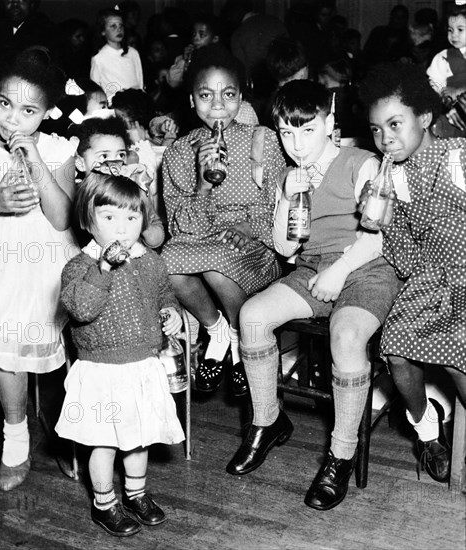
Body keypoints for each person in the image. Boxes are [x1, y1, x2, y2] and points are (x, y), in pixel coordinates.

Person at [226, 80, 402, 511]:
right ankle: (267, 422)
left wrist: (341, 271)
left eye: (307, 130)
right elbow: (286, 248)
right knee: (251, 316)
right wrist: (287, 195)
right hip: (314, 269)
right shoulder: (289, 174)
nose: (297, 144)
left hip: (366, 268)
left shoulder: (362, 162)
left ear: (330, 122)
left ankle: (340, 454)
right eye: (287, 133)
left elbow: (380, 238)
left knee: (345, 336)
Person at [55, 171, 184, 537]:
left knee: (138, 438)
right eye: (109, 217)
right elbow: (82, 309)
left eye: (132, 218)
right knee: (104, 443)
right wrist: (104, 269)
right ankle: (104, 503)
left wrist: (171, 312)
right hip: (102, 372)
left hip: (142, 366)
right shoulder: (79, 267)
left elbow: (164, 294)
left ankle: (136, 493)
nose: (122, 228)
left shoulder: (151, 260)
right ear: (87, 220)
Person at [359, 62, 466, 483]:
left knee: (461, 355)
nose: (386, 138)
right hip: (430, 277)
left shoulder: (457, 157)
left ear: (424, 118)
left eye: (395, 124)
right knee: (397, 346)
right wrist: (382, 221)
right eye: (376, 129)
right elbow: (403, 254)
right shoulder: (391, 179)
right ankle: (426, 429)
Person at [161, 46, 285, 397]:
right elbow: (181, 228)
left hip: (255, 246)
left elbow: (278, 204)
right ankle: (218, 329)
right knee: (168, 262)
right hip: (204, 240)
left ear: (241, 96)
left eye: (228, 94)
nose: (218, 105)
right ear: (191, 100)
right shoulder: (179, 152)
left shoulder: (263, 140)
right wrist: (201, 182)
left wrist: (252, 230)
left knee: (216, 265)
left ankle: (240, 338)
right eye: (206, 95)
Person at [0, 47, 78, 491]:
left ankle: (69, 428)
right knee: (0, 321)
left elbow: (61, 219)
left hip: (48, 256)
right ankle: (15, 434)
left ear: (47, 113)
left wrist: (37, 160)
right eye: (5, 104)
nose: (12, 120)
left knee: (28, 311)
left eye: (27, 111)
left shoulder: (59, 149)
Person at [73, 116, 165, 249]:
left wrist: (140, 219)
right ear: (80, 163)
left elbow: (155, 240)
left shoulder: (135, 189)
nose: (114, 164)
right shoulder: (78, 197)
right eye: (104, 156)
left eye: (121, 155)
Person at [427, 6, 466, 136]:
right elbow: (434, 81)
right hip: (453, 111)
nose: (453, 34)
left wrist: (459, 90)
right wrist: (444, 95)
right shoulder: (443, 57)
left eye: (460, 29)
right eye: (450, 30)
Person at [90, 8, 144, 103]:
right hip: (115, 106)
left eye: (121, 26)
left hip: (136, 103)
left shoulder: (133, 52)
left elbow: (140, 82)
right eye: (113, 26)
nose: (118, 29)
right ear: (103, 31)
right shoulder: (99, 58)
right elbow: (95, 89)